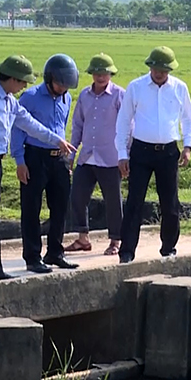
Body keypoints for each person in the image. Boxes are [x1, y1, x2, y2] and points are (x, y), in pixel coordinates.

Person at [0, 54, 76, 285]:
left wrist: (57, 140)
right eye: (22, 81)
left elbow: (30, 124)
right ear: (12, 78)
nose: (24, 86)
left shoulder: (9, 100)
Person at [115, 46, 191, 264]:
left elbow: (189, 118)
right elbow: (123, 121)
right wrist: (122, 153)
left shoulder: (179, 88)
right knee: (135, 201)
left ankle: (168, 248)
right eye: (155, 68)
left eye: (163, 69)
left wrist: (188, 146)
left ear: (170, 69)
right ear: (149, 66)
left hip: (169, 152)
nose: (159, 73)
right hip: (141, 151)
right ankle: (127, 251)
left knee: (170, 202)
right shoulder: (136, 87)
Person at [11, 54, 81, 274]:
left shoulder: (66, 98)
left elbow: (62, 125)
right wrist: (20, 160)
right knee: (31, 209)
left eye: (67, 85)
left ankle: (55, 252)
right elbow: (17, 129)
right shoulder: (30, 97)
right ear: (50, 78)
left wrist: (67, 160)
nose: (63, 88)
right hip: (34, 157)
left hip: (59, 158)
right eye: (60, 84)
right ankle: (32, 257)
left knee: (60, 207)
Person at [66, 53, 125, 256]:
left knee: (112, 200)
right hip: (87, 155)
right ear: (92, 74)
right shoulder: (84, 95)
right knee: (77, 196)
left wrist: (127, 156)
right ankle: (83, 238)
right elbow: (78, 125)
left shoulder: (119, 95)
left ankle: (116, 240)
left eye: (105, 73)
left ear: (110, 74)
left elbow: (129, 127)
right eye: (97, 73)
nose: (101, 77)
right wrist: (71, 154)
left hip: (110, 157)